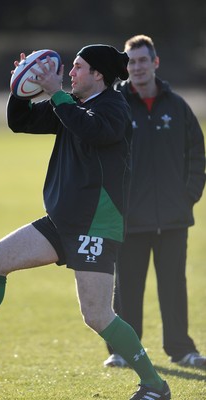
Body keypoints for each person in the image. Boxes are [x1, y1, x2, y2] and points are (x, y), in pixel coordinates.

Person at [0, 43, 171, 400]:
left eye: (78, 67)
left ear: (98, 74)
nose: (69, 73)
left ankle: (154, 385)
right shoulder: (71, 105)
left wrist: (57, 94)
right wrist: (19, 88)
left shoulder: (115, 107)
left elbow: (94, 131)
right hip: (63, 220)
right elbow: (19, 121)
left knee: (97, 315)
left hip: (96, 224)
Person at [104, 35, 206, 369]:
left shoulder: (177, 106)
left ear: (155, 63)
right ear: (126, 67)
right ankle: (123, 351)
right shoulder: (115, 105)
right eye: (131, 62)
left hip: (174, 219)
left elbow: (197, 155)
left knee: (174, 288)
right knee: (128, 290)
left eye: (142, 60)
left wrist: (189, 195)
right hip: (130, 218)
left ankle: (181, 349)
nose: (137, 67)